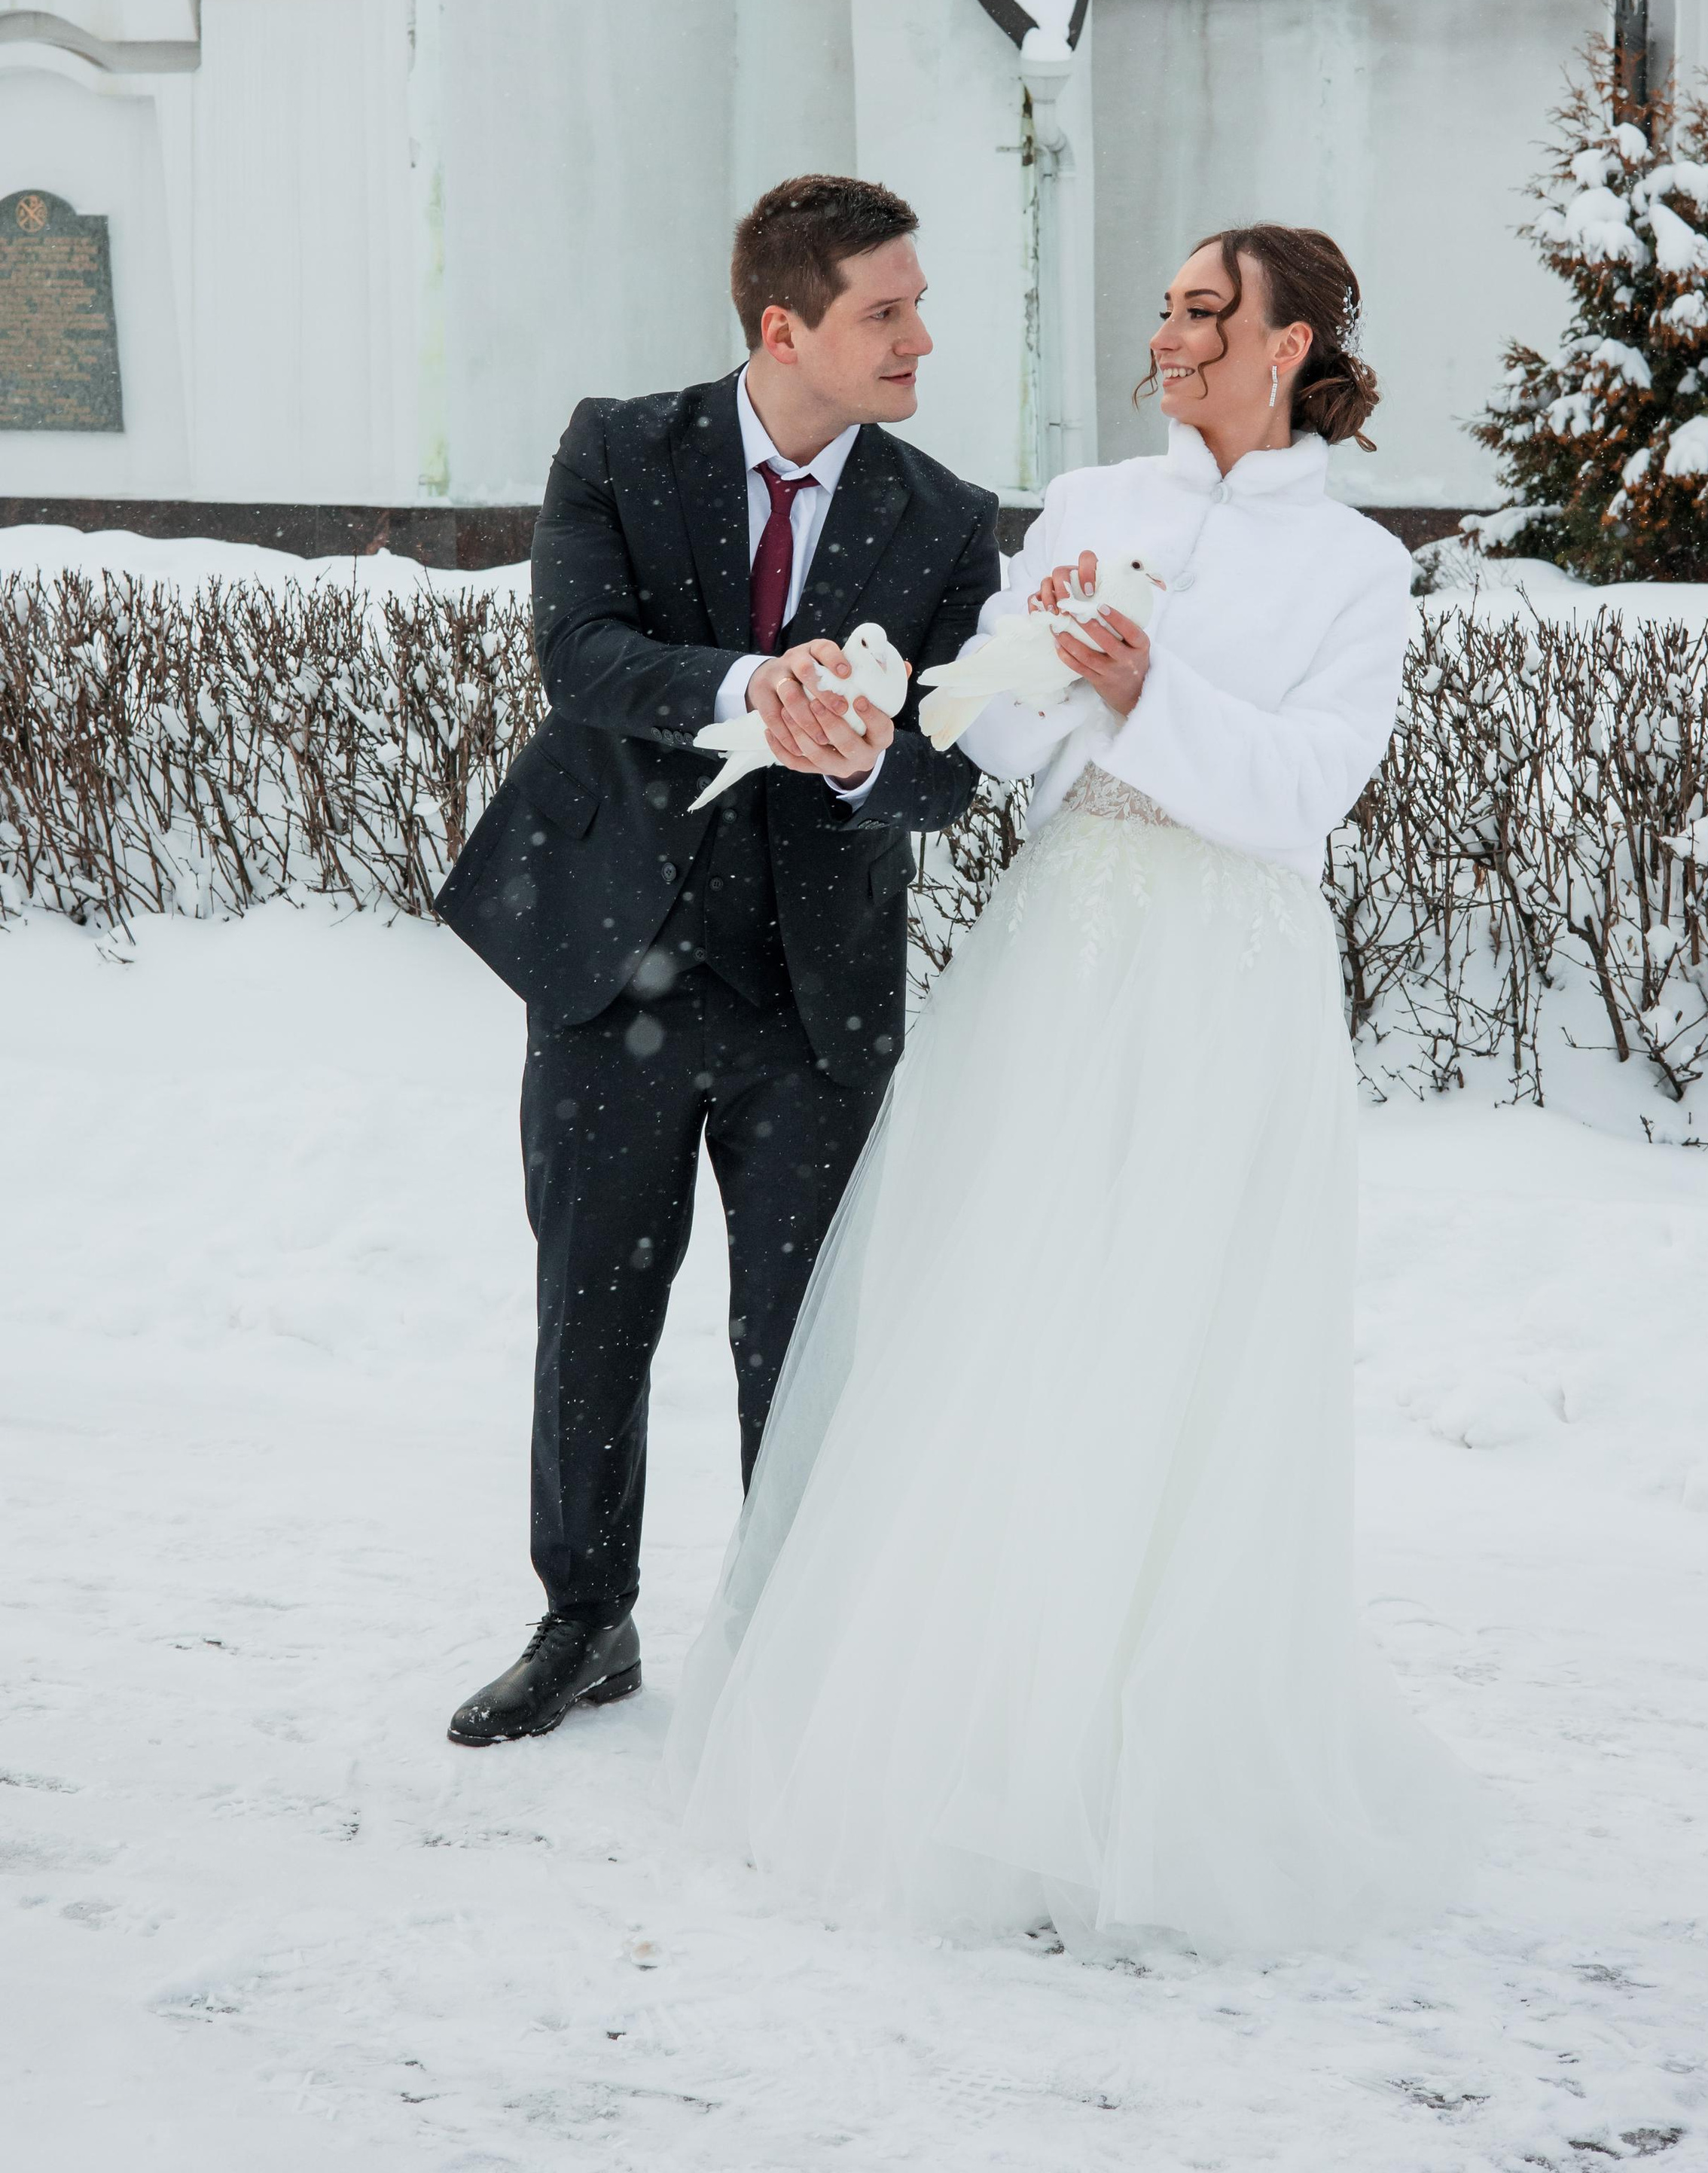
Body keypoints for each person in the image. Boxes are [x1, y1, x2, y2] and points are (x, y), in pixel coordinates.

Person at [663, 224, 1473, 1954]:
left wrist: (1147, 688)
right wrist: (921, 710)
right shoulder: (1092, 501)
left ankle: (1154, 1758)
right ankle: (978, 1738)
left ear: (1290, 345)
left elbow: (1306, 788)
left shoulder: (1350, 567)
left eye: (1205, 311)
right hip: (1062, 953)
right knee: (1014, 1321)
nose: (1170, 333)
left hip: (1223, 973)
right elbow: (1011, 731)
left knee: (1179, 1342)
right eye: (1169, 307)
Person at [437, 175, 1001, 1745]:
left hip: (810, 1003)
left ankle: (793, 1641)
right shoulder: (618, 449)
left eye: (915, 304)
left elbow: (950, 771)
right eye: (885, 311)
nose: (918, 338)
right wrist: (759, 686)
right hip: (608, 965)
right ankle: (583, 1621)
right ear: (784, 326)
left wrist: (855, 753)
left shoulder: (943, 518)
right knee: (590, 1317)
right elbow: (583, 654)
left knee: (804, 1338)